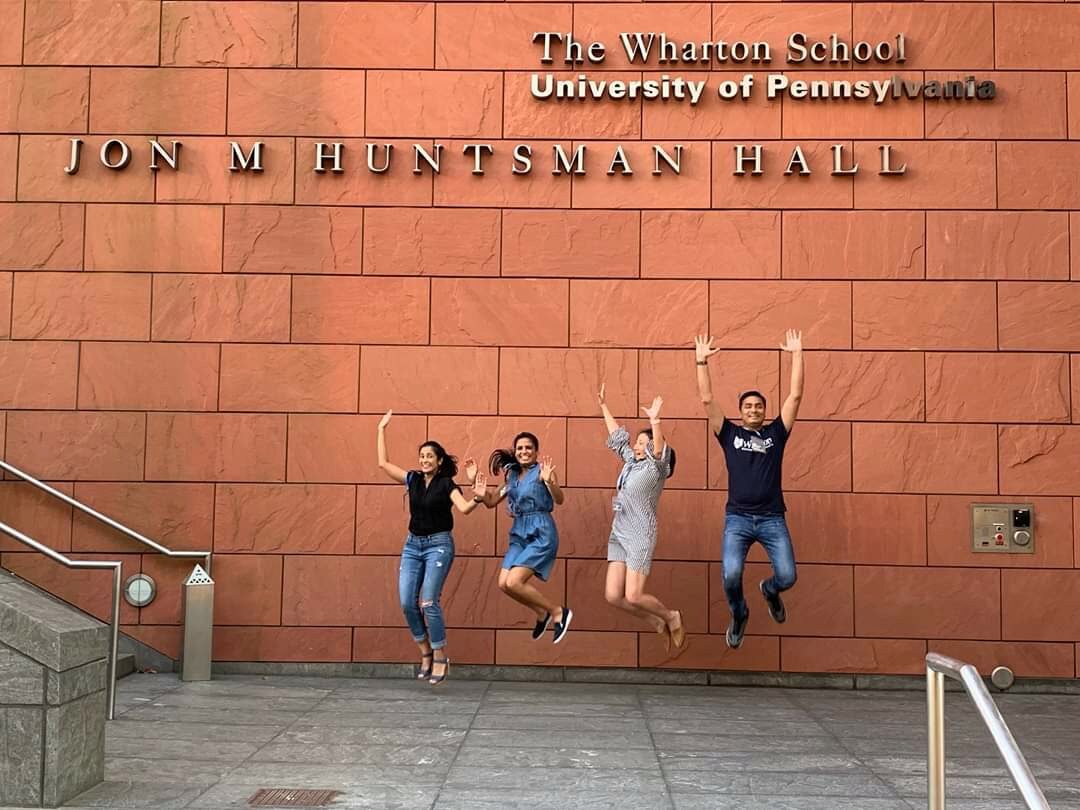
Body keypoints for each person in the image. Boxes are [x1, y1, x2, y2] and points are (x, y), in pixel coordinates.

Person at [694, 330, 804, 649]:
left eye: (758, 406)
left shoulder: (776, 433)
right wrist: (701, 360)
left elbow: (795, 397)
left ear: (764, 411)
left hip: (772, 519)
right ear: (741, 412)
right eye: (748, 406)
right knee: (730, 577)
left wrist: (797, 354)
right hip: (738, 520)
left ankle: (769, 592)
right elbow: (706, 399)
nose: (754, 410)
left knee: (787, 577)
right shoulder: (728, 434)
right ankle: (739, 614)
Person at [376, 410, 486, 685]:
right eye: (422, 456)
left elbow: (464, 509)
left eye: (430, 457)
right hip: (413, 546)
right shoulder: (412, 479)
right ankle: (424, 651)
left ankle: (439, 654)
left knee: (428, 602)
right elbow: (383, 463)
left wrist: (478, 497)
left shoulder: (446, 484)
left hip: (439, 545)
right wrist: (381, 429)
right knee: (406, 602)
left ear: (438, 462)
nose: (425, 460)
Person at [598, 385, 685, 651]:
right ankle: (656, 622)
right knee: (614, 595)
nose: (637, 446)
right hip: (619, 532)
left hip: (639, 533)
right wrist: (603, 405)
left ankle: (672, 617)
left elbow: (659, 451)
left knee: (633, 594)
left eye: (643, 444)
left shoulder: (655, 469)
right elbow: (617, 439)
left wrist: (655, 421)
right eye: (637, 442)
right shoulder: (631, 464)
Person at [468, 432, 572, 643]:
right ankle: (541, 614)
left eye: (528, 448)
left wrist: (550, 482)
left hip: (541, 531)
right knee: (504, 583)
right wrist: (478, 490)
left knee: (515, 581)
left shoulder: (543, 471)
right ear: (515, 453)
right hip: (519, 532)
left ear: (536, 452)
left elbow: (559, 499)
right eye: (520, 449)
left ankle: (558, 612)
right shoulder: (512, 476)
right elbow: (490, 502)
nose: (524, 452)